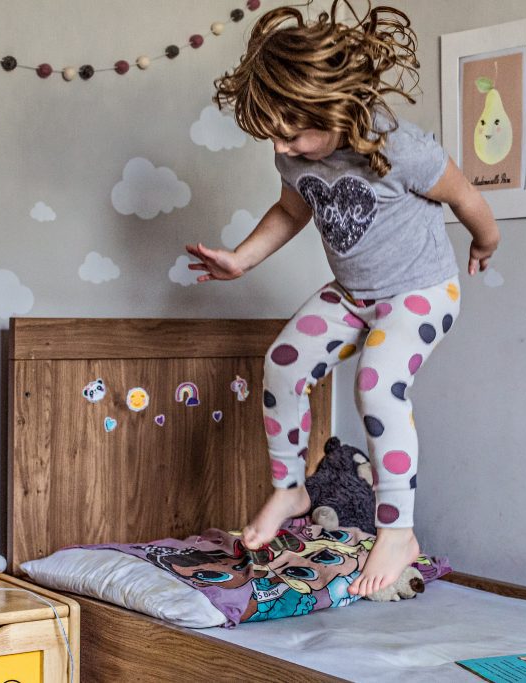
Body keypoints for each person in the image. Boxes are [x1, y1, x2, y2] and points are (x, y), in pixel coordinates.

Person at [186, 0, 500, 596]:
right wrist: (240, 259)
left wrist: (488, 241)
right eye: (274, 137)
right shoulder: (295, 153)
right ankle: (291, 489)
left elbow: (465, 199)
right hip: (355, 294)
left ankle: (398, 529)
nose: (282, 148)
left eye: (292, 133)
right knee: (282, 364)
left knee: (377, 386)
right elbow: (289, 211)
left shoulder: (401, 148)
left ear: (335, 107)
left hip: (421, 291)